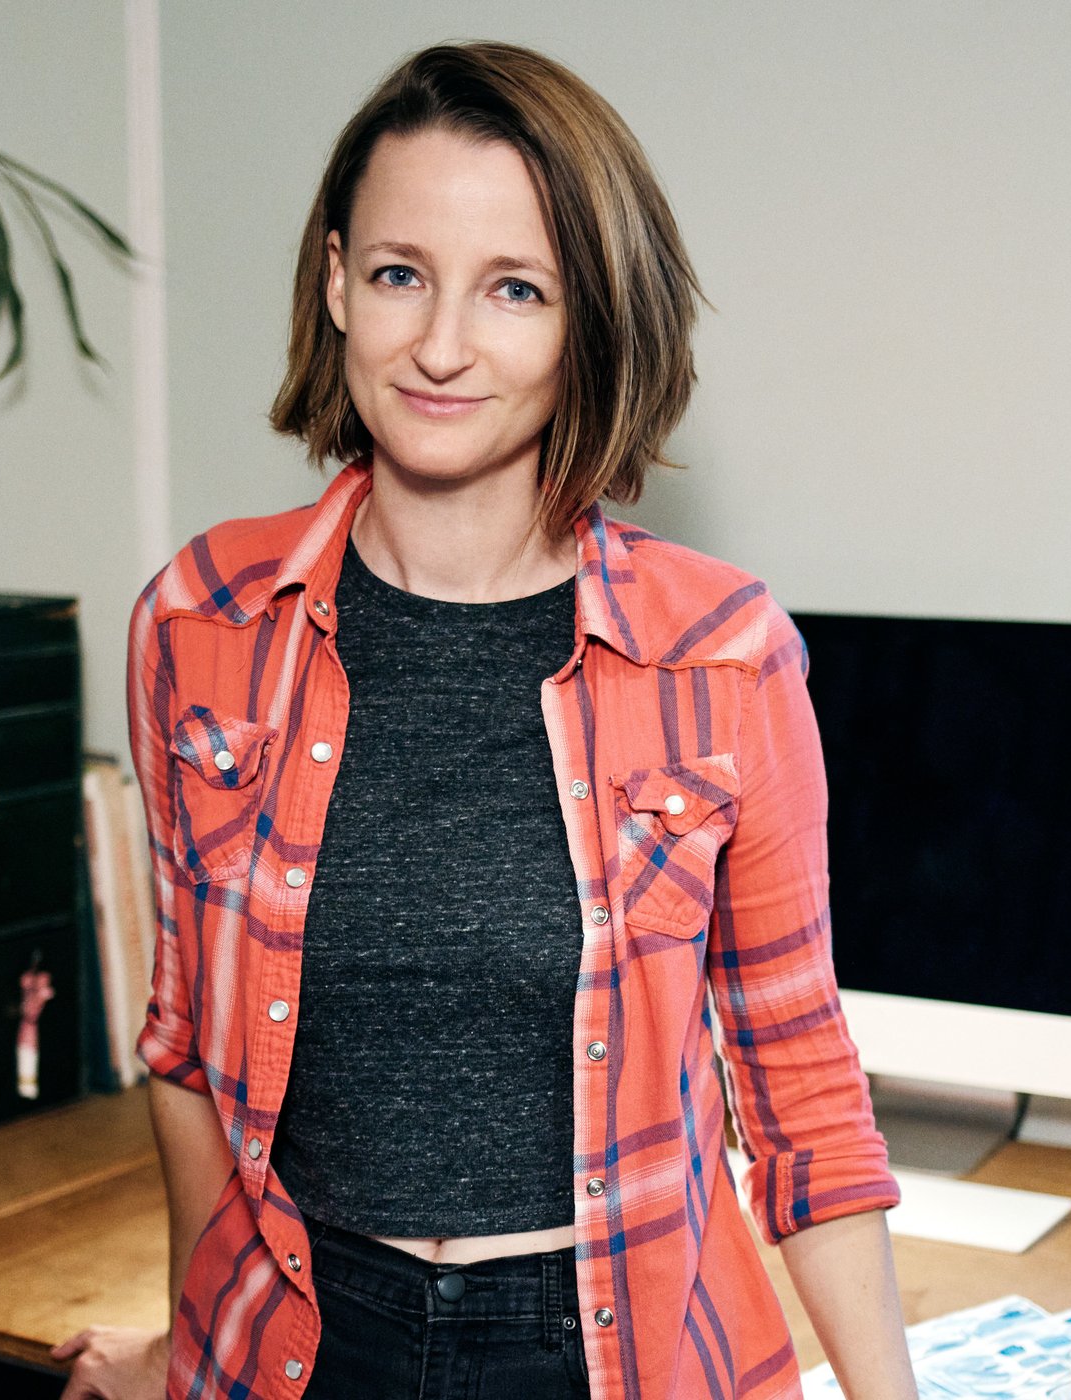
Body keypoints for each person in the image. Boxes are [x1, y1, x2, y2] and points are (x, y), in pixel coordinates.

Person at [52, 40, 918, 1400]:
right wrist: (189, 1342)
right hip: (303, 1345)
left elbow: (801, 1086)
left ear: (589, 322)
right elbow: (184, 1053)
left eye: (515, 289)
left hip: (598, 1354)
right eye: (400, 274)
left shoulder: (722, 655)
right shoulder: (200, 623)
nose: (442, 346)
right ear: (336, 281)